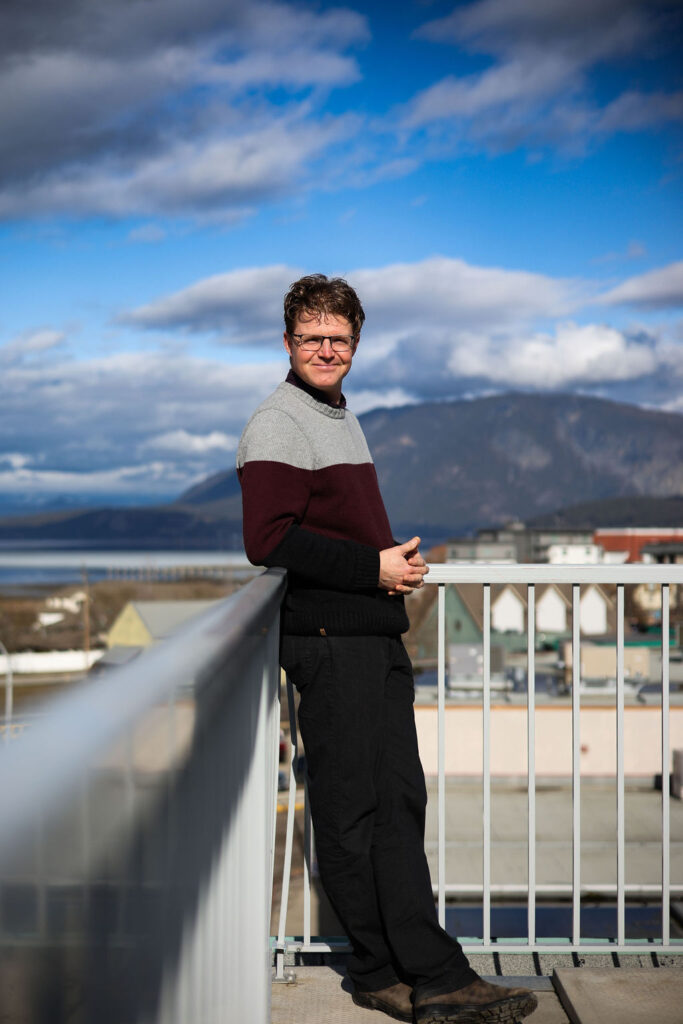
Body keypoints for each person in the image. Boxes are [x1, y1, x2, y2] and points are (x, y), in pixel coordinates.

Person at [237, 274, 537, 1024]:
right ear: (287, 343)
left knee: (394, 807)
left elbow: (326, 528)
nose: (327, 349)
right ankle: (410, 972)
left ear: (356, 345)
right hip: (332, 644)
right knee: (352, 815)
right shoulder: (279, 422)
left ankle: (405, 968)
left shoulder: (335, 413)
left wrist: (380, 573)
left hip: (366, 638)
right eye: (312, 338)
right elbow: (265, 540)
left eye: (339, 338)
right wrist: (372, 568)